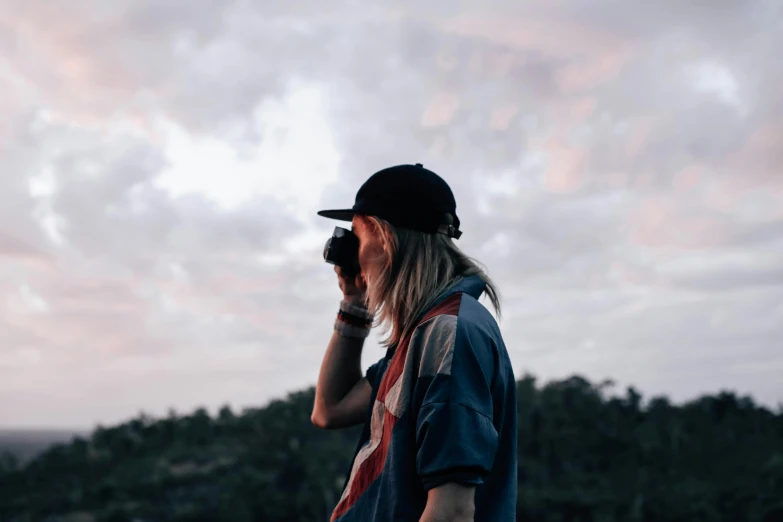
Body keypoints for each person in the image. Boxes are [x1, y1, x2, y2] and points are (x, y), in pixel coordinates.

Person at [312, 163, 517, 522]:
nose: (355, 254)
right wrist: (353, 303)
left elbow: (451, 512)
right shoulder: (424, 335)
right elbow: (330, 409)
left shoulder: (447, 335)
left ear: (381, 235)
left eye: (358, 238)